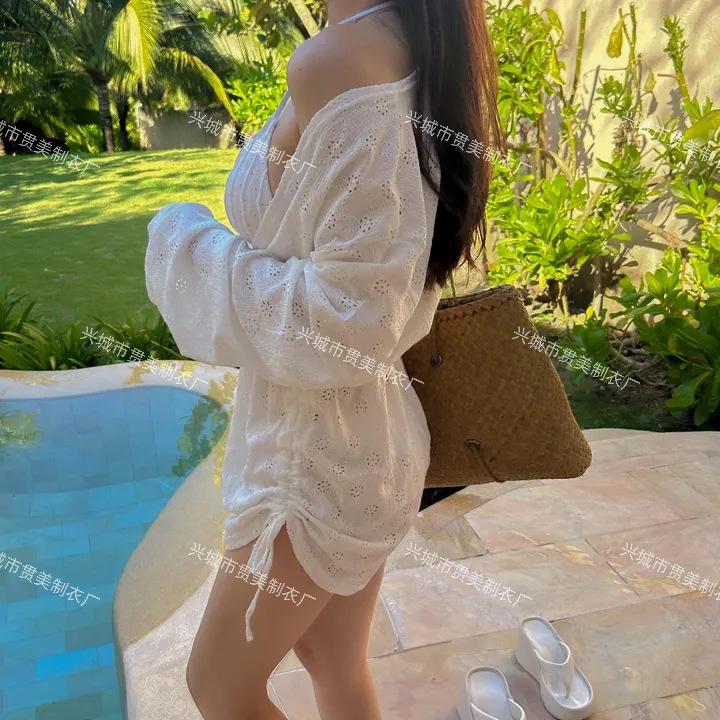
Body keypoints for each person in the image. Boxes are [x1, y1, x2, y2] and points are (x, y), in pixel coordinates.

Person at [144, 1, 503, 718]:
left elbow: (349, 316)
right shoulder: (408, 41)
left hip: (311, 467)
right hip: (360, 442)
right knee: (333, 662)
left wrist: (182, 244)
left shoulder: (341, 60)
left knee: (219, 685)